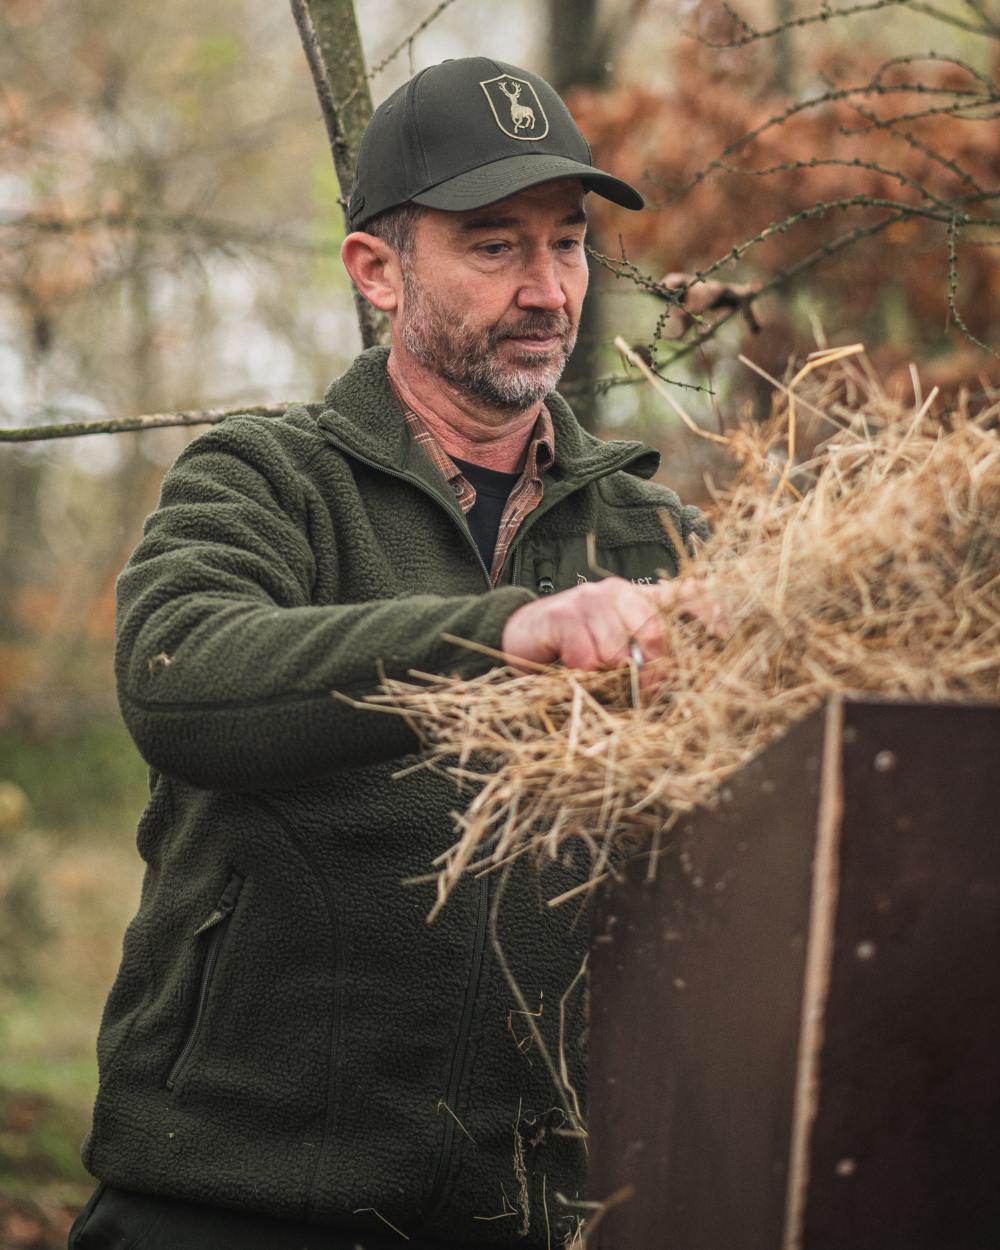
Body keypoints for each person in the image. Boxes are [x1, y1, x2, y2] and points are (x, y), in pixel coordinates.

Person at [69, 57, 710, 1249]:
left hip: (533, 1214)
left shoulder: (649, 533)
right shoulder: (266, 478)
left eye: (566, 243)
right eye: (493, 245)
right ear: (377, 268)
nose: (548, 289)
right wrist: (500, 635)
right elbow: (182, 674)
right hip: (231, 1197)